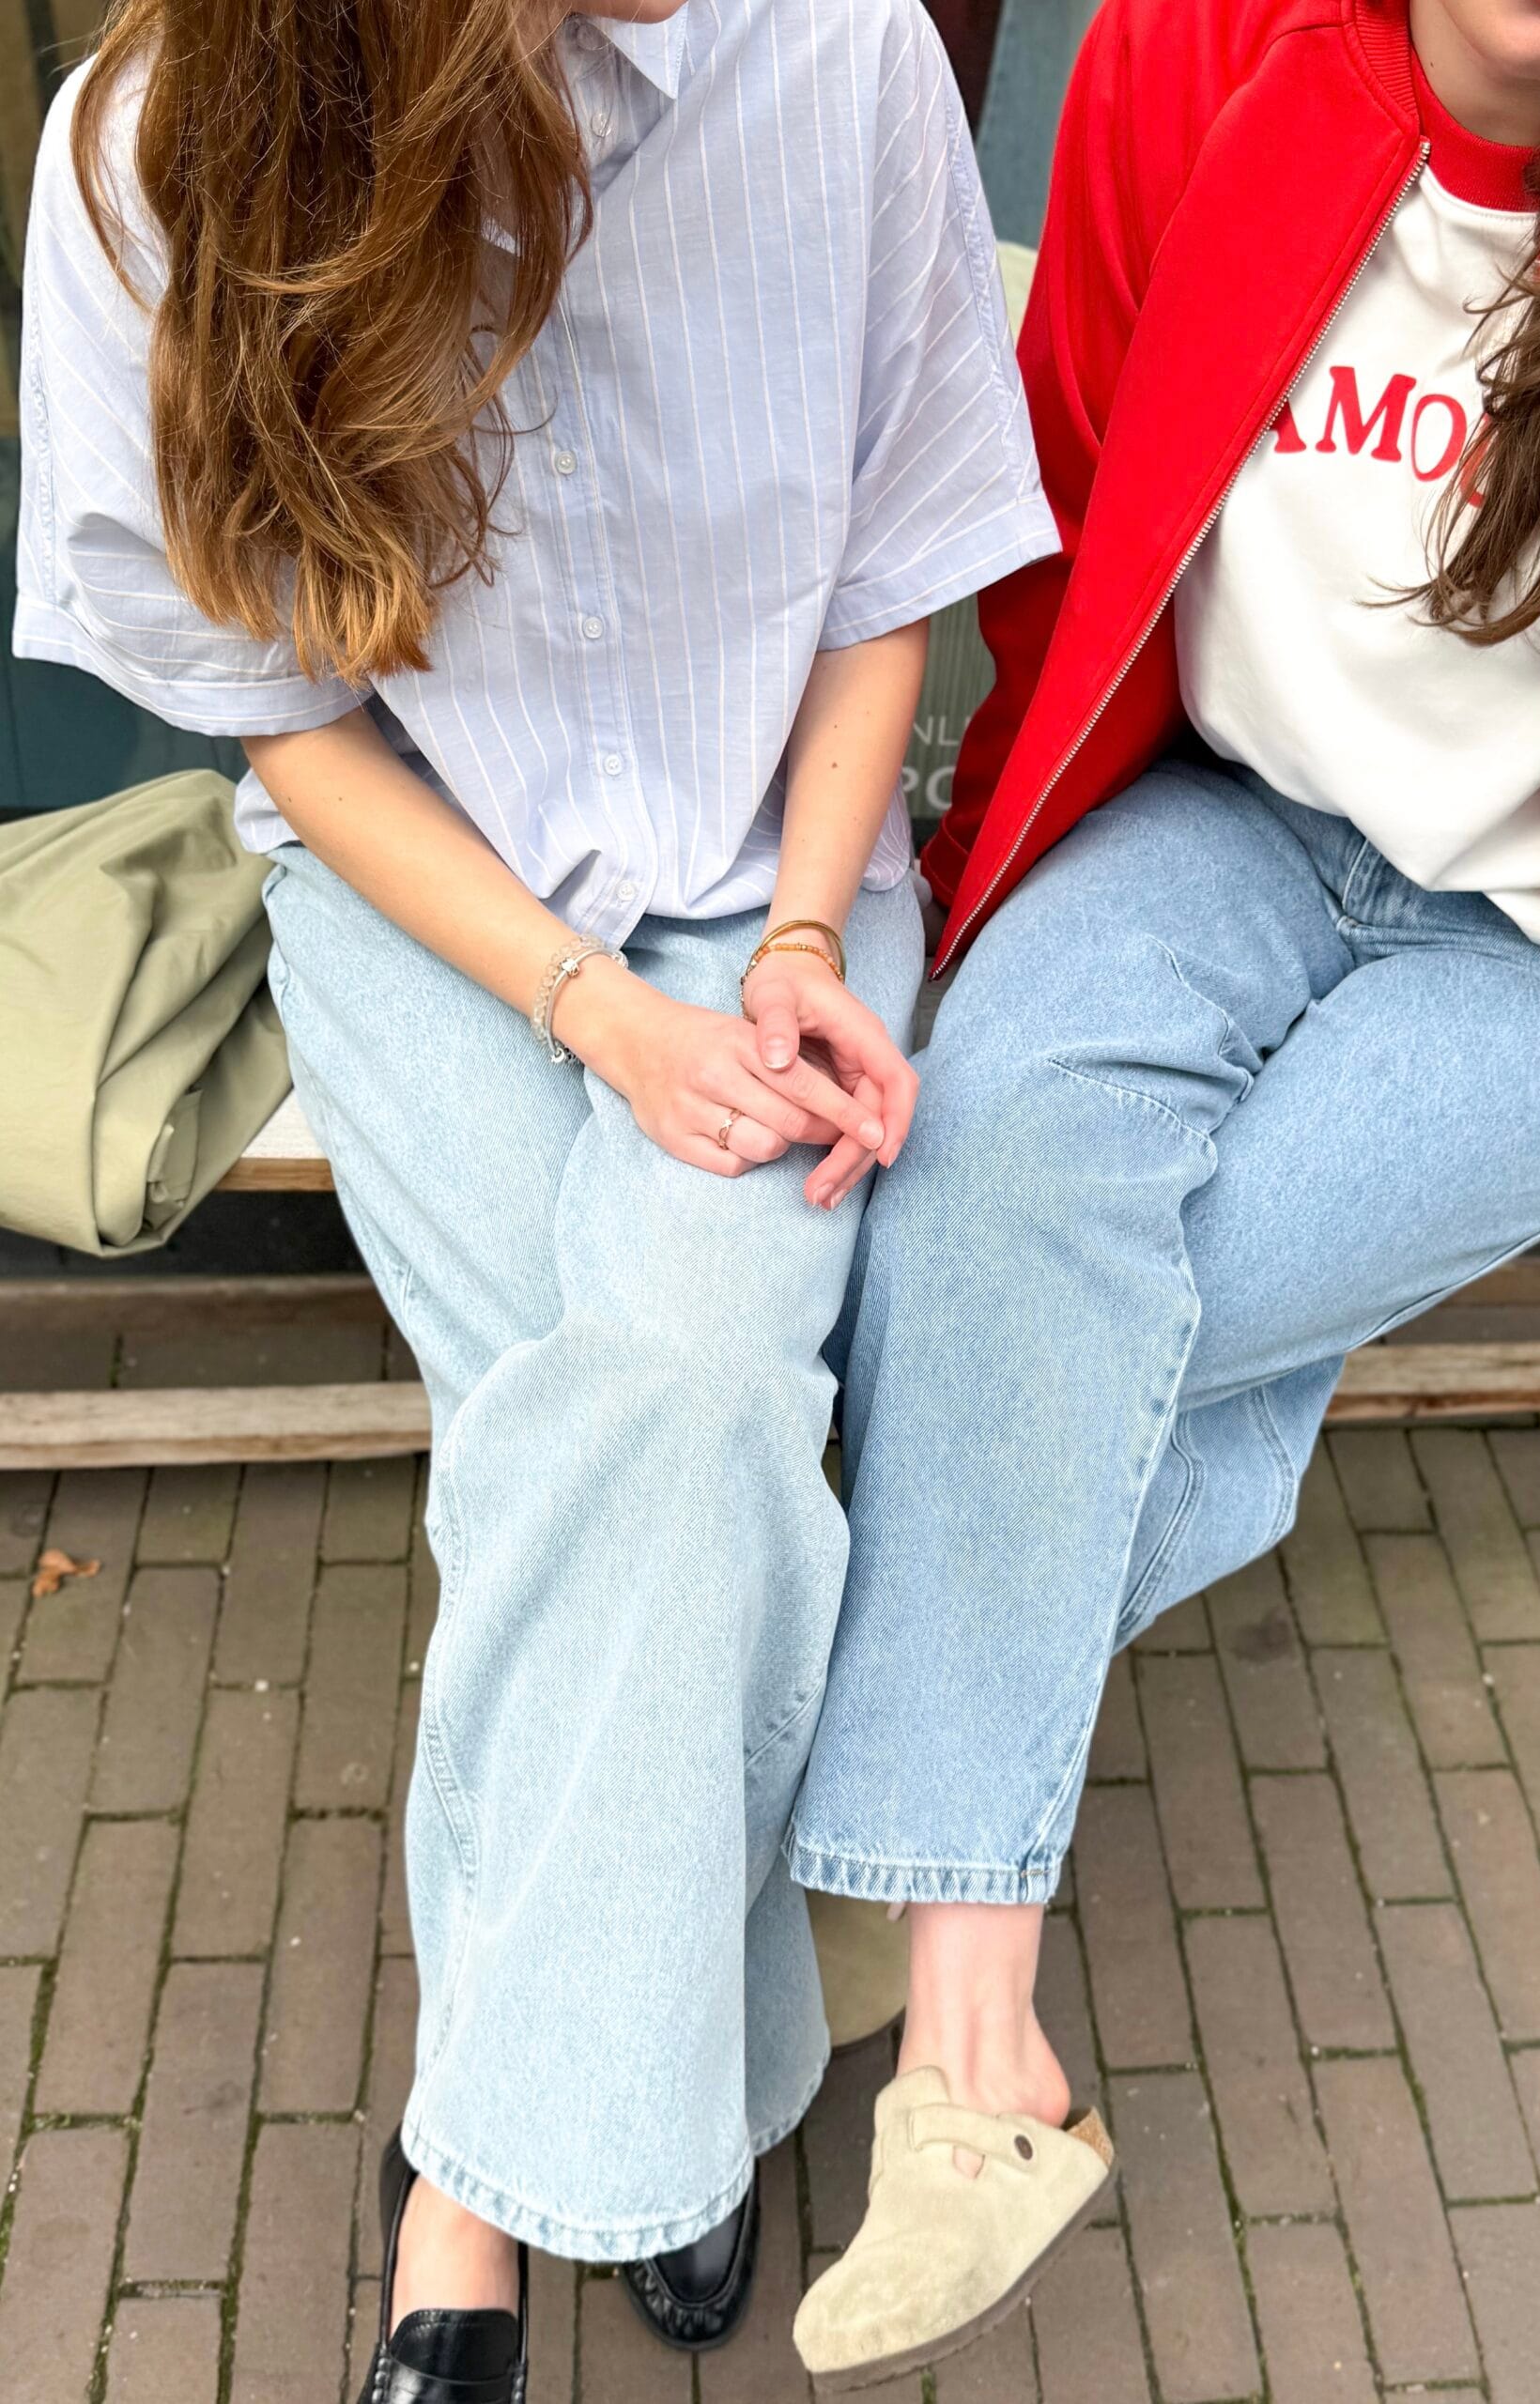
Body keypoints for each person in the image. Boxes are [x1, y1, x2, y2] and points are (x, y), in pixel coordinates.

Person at [785, 0, 1540, 2384]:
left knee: (1086, 1314)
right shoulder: (1195, 46)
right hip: (1214, 812)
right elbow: (1076, 471)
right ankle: (977, 2038)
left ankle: (867, 1864)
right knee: (989, 1188)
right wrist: (1024, 803)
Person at [14, 0, 1055, 2394]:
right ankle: (694, 2068)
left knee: (647, 1406)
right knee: (626, 1433)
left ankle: (472, 2179)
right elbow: (280, 713)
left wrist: (799, 944)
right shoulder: (157, 142)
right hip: (424, 892)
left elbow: (885, 569)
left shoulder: (844, 56)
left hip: (777, 872)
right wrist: (592, 1009)